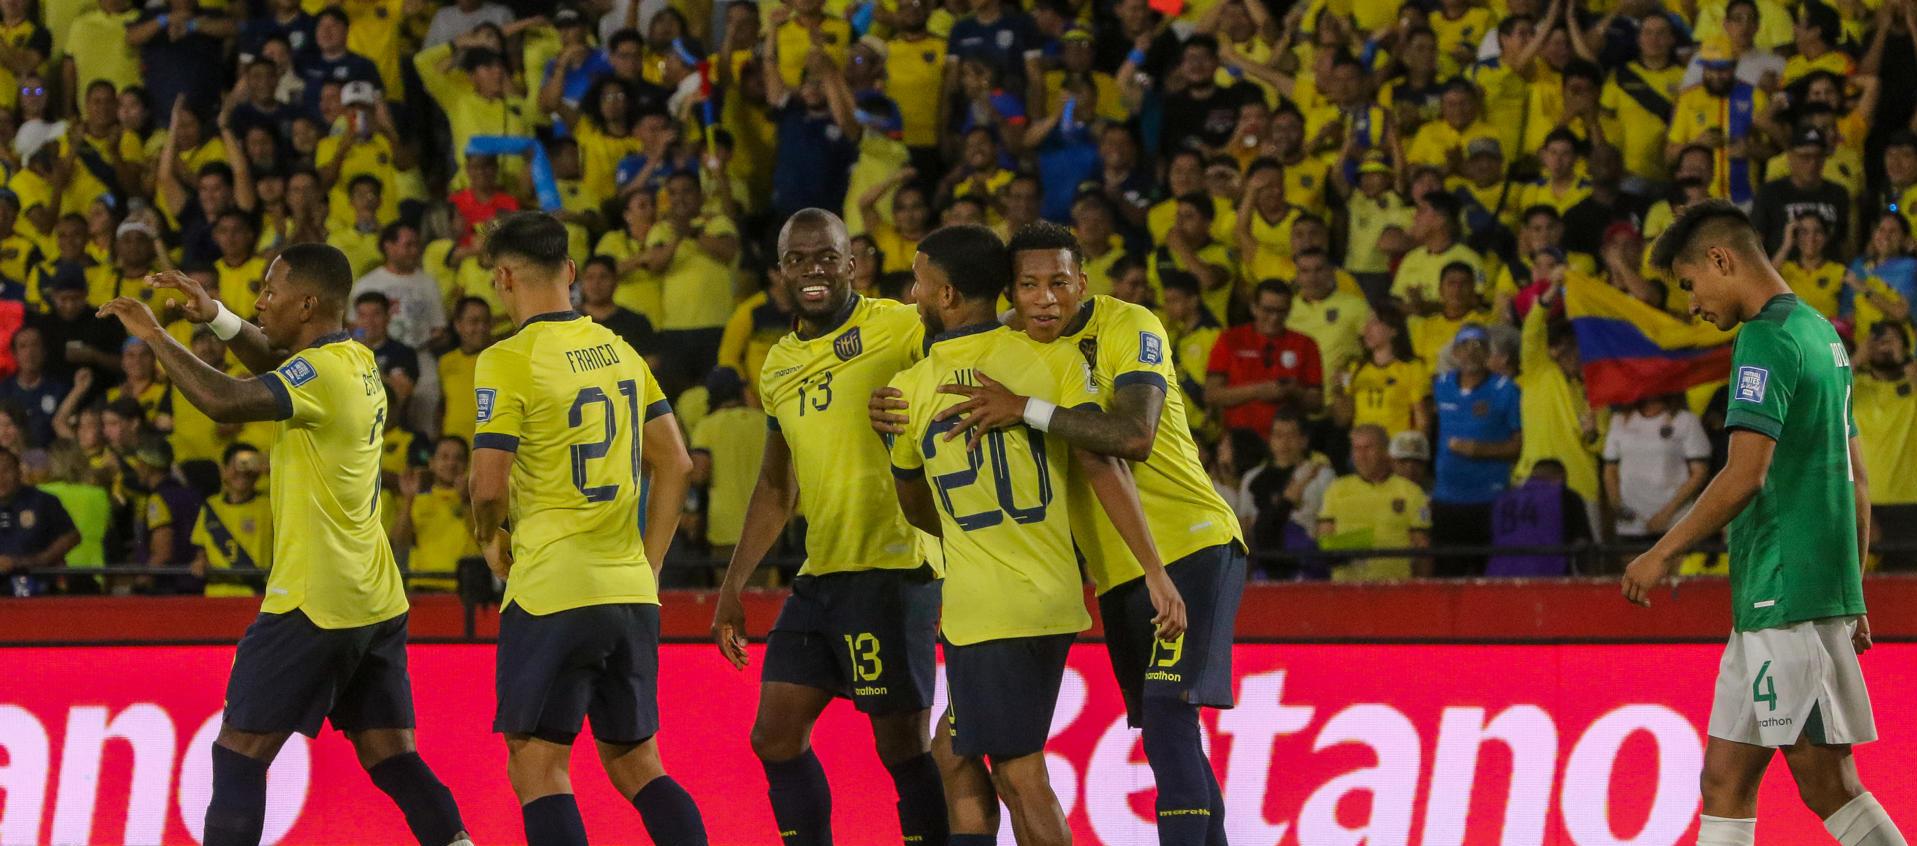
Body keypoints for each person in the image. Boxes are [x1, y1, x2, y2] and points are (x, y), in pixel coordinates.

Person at [94, 249, 471, 846]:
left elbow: (226, 400)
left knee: (238, 756)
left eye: (271, 291)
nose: (260, 301)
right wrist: (215, 316)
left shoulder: (320, 373)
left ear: (308, 304)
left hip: (313, 600)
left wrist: (156, 336)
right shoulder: (353, 359)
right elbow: (275, 360)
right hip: (374, 597)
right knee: (392, 755)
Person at [917, 221, 1233, 846]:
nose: (1045, 299)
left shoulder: (1129, 325)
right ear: (1008, 293)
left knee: (1166, 720)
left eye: (1059, 283)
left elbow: (1132, 438)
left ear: (1083, 282)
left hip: (1189, 544)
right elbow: (935, 319)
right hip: (1115, 570)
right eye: (1028, 286)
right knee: (1170, 729)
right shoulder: (1018, 352)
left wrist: (1024, 408)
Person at [1624, 199, 1904, 846]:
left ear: (1721, 260)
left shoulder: (1764, 338)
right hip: (1774, 597)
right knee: (1723, 782)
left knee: (1829, 785)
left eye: (1689, 284)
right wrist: (1853, 592)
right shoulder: (1821, 333)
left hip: (1787, 595)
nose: (1692, 304)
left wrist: (1662, 551)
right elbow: (1856, 478)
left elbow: (1745, 474)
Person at [465, 212, 707, 846]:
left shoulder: (507, 359)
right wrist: (650, 563)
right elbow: (676, 462)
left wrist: (489, 540)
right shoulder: (619, 349)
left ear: (503, 278)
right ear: (570, 271)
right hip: (628, 590)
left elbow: (487, 486)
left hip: (553, 590)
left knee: (537, 766)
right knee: (637, 763)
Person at [707, 209, 946, 846]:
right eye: (798, 259)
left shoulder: (901, 326)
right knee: (774, 737)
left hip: (895, 568)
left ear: (851, 264)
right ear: (780, 272)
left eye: (826, 257)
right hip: (821, 575)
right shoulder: (777, 365)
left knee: (902, 747)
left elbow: (972, 359)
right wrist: (734, 585)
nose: (812, 269)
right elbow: (775, 485)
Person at [1429, 324, 1522, 577]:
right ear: (1455, 352)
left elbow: (1518, 445)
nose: (1471, 352)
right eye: (1464, 346)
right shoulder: (1441, 386)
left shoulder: (1506, 390)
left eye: (1478, 346)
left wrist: (1479, 449)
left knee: (1489, 578)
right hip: (1447, 499)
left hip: (1489, 500)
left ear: (1488, 353)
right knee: (1448, 578)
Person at [686, 367, 764, 569]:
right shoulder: (763, 422)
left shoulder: (708, 426)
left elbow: (699, 474)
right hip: (765, 526)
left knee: (730, 587)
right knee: (766, 587)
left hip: (726, 528)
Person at [394, 436, 476, 593]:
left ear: (467, 464)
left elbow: (486, 540)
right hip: (424, 588)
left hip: (468, 591)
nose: (451, 463)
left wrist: (466, 502)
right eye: (444, 457)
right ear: (431, 463)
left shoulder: (479, 503)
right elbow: (400, 543)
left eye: (458, 458)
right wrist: (409, 500)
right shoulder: (417, 502)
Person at [192, 442, 272, 598]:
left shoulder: (270, 506)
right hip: (216, 594)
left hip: (256, 595)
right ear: (224, 470)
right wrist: (200, 562)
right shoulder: (211, 506)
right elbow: (201, 550)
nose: (242, 472)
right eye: (237, 465)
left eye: (249, 464)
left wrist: (270, 468)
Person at [0, 446, 80, 597]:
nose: (1, 477)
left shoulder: (43, 501)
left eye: (6, 470)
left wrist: (39, 560)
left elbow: (71, 536)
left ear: (19, 471)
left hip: (38, 587)